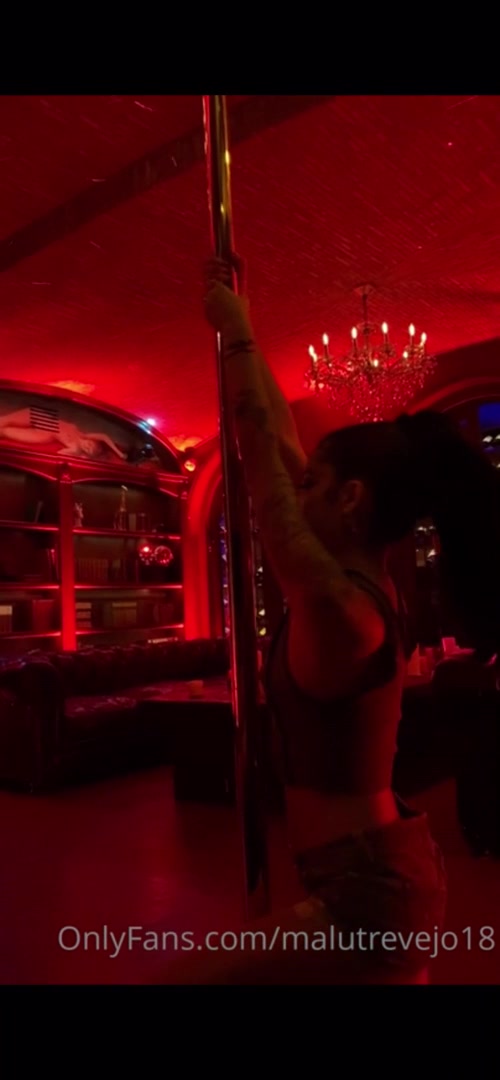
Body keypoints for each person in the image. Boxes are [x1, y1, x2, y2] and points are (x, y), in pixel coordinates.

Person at [163, 256, 500, 987]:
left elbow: (260, 458)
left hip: (369, 896)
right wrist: (244, 325)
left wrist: (236, 334)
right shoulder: (360, 584)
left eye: (312, 483)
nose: (297, 488)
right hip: (369, 872)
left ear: (348, 499)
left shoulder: (340, 607)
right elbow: (277, 440)